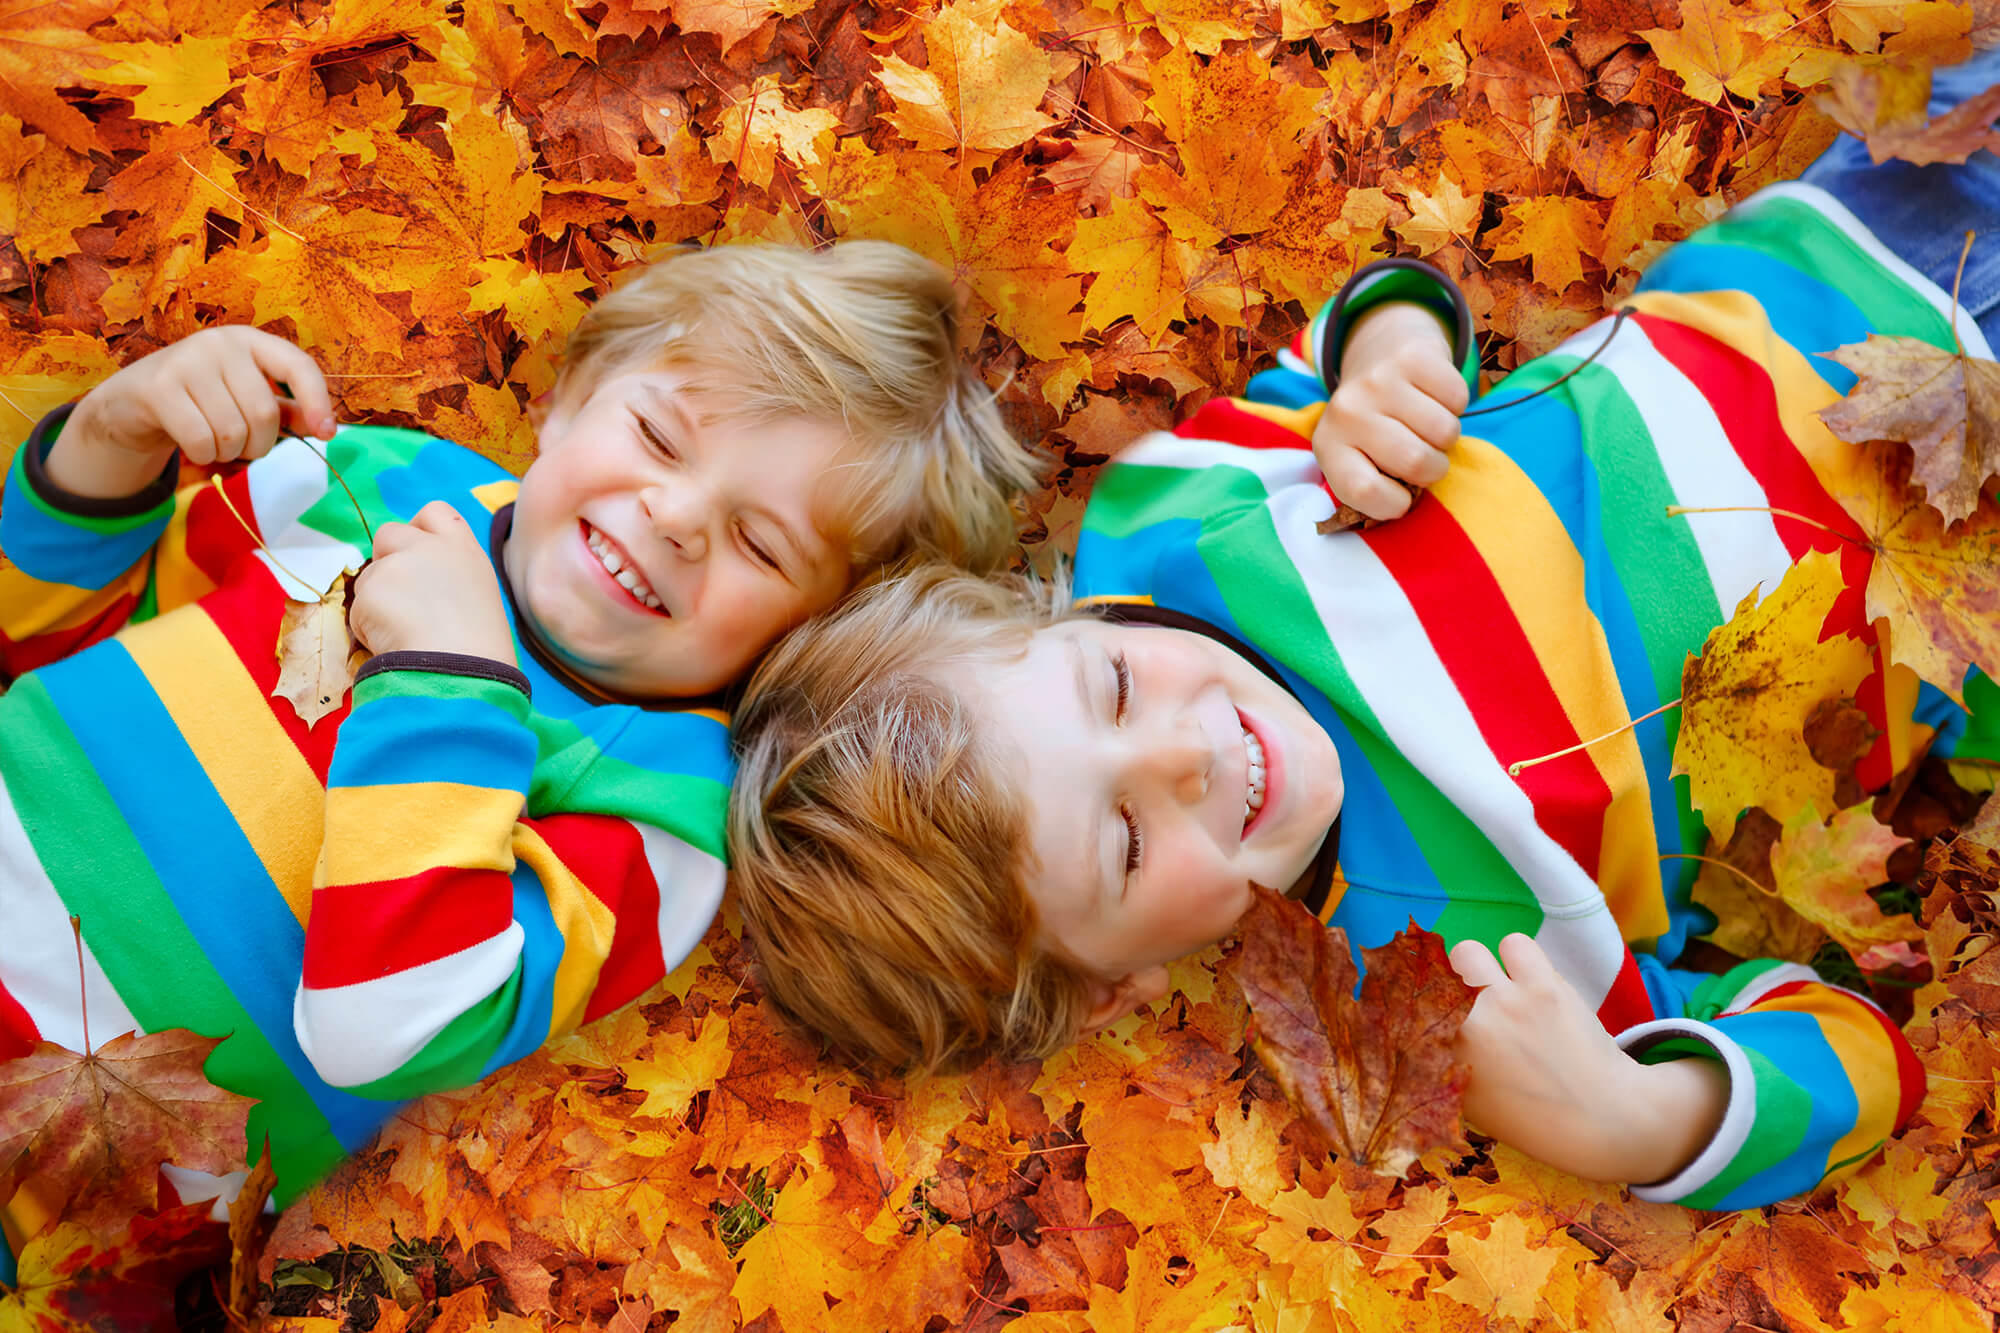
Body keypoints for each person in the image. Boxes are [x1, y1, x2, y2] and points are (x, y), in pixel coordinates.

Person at [729, 54, 2000, 1211]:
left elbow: (1362, 317)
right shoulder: (1439, 980)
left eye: (1110, 686)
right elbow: (1853, 1057)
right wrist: (1636, 1117)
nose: (1181, 754)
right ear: (1112, 986)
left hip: (1850, 273)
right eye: (1123, 842)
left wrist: (1382, 367)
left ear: (1055, 614)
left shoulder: (1173, 531)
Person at [0, 240, 1042, 1278]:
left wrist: (449, 683)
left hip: (67, 1184)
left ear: (800, 643)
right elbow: (47, 633)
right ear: (568, 400)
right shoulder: (381, 479)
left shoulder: (661, 806)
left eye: (762, 544)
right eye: (658, 436)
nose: (675, 517)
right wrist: (109, 439)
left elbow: (387, 1029)